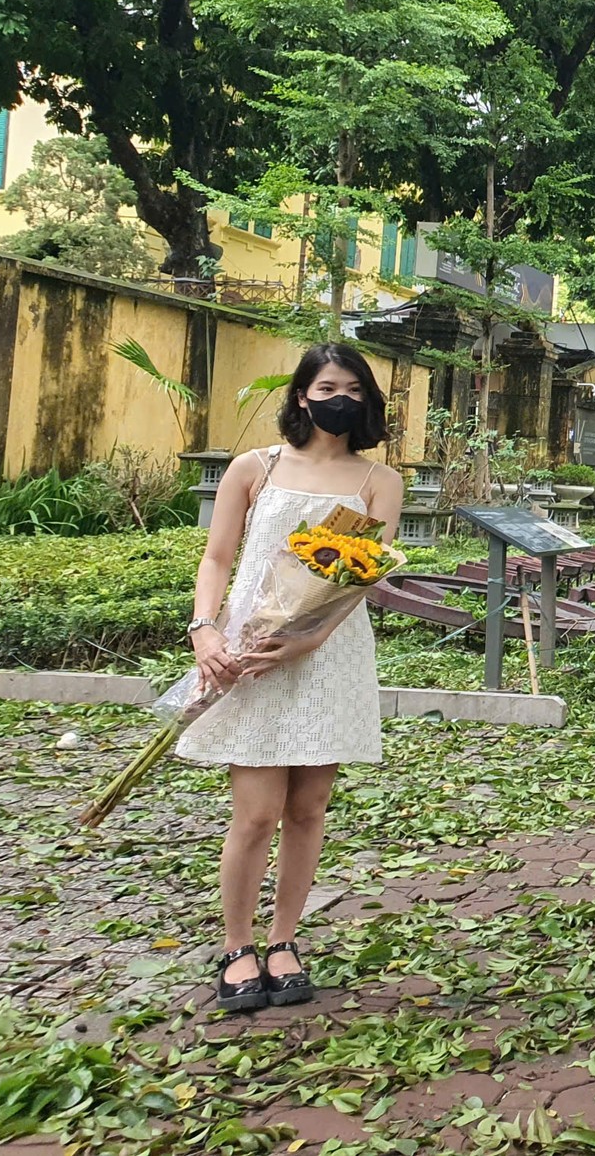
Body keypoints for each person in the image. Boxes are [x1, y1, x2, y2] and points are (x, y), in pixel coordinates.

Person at [178, 344, 404, 1013]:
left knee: (307, 810)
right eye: (328, 385)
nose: (342, 398)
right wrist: (205, 630)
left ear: (367, 402)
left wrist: (308, 640)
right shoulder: (257, 468)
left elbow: (357, 581)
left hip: (327, 656)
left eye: (355, 390)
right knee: (255, 815)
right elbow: (217, 557)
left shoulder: (378, 482)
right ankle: (237, 946)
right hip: (250, 648)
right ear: (302, 395)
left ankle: (284, 940)